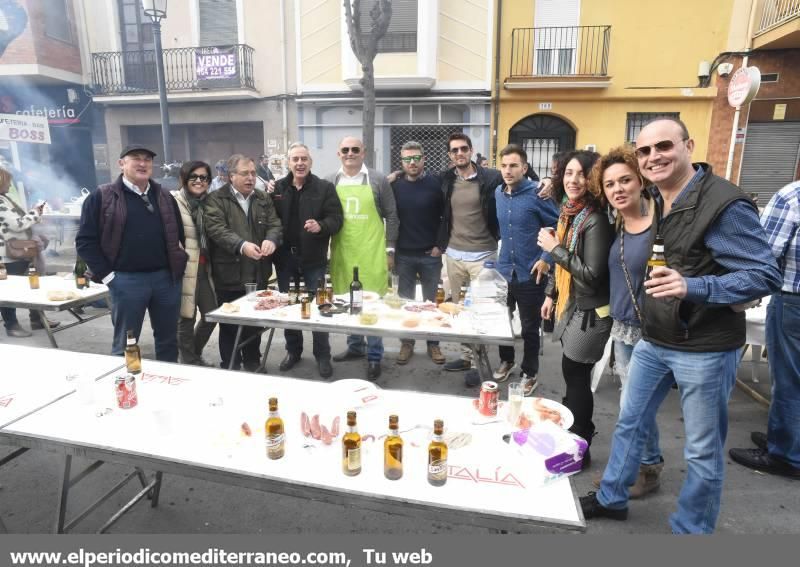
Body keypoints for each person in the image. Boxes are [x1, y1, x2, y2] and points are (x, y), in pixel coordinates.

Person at [581, 117, 781, 534]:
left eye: (664, 147)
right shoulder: (657, 195)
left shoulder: (723, 202)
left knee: (702, 452)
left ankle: (692, 532)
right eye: (645, 151)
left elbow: (764, 274)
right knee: (631, 422)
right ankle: (612, 497)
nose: (654, 157)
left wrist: (694, 286)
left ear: (688, 145)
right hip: (655, 337)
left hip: (705, 348)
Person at [595, 146, 664, 497]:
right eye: (610, 184)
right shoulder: (617, 222)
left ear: (641, 181)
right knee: (633, 405)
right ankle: (646, 463)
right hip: (622, 327)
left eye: (625, 180)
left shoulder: (661, 224)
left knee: (633, 408)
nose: (618, 189)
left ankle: (644, 469)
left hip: (650, 333)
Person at [76, 145, 187, 361]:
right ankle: (125, 388)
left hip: (166, 280)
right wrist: (109, 277)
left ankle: (169, 385)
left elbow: (178, 235)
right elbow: (85, 242)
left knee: (168, 340)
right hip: (126, 280)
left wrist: (178, 268)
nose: (143, 164)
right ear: (121, 164)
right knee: (126, 343)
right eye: (136, 158)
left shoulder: (164, 196)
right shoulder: (102, 197)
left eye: (147, 159)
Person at [538, 150, 613, 465]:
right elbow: (564, 269)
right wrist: (551, 295)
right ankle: (572, 434)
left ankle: (580, 444)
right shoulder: (569, 213)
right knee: (573, 373)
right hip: (573, 305)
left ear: (593, 179)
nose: (573, 180)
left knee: (576, 374)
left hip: (591, 312)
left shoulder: (594, 219)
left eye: (581, 174)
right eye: (568, 173)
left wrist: (554, 249)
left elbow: (592, 275)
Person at [729, 180, 800, 479]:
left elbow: (765, 254)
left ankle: (786, 455)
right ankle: (784, 437)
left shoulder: (792, 196)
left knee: (789, 378)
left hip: (793, 301)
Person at [327, 136, 399, 381]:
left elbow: (391, 214)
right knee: (349, 301)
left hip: (372, 251)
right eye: (345, 149)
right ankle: (355, 346)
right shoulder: (331, 180)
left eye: (354, 149)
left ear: (363, 152)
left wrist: (390, 249)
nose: (350, 153)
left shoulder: (378, 179)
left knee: (373, 303)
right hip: (344, 251)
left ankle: (375, 355)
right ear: (339, 153)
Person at [204, 154, 283, 371]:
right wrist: (242, 245)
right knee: (230, 323)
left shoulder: (262, 198)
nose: (251, 177)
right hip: (229, 274)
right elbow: (217, 230)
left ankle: (252, 362)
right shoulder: (216, 199)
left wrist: (271, 239)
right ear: (231, 176)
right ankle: (230, 364)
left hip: (258, 272)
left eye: (253, 173)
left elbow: (275, 224)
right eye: (245, 173)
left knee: (253, 322)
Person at [272, 143, 343, 379]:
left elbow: (336, 219)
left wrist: (321, 226)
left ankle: (323, 355)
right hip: (285, 261)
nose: (300, 163)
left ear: (310, 162)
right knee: (291, 308)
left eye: (304, 158)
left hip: (314, 260)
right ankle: (293, 352)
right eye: (295, 159)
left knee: (320, 307)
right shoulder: (278, 188)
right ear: (288, 163)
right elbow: (270, 219)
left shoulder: (324, 188)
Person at [438, 133, 503, 386]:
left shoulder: (491, 177)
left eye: (463, 149)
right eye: (454, 150)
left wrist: (548, 183)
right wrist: (395, 176)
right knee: (460, 310)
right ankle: (467, 356)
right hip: (454, 255)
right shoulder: (446, 179)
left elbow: (522, 180)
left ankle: (480, 363)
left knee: (482, 311)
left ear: (471, 150)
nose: (459, 153)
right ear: (450, 155)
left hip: (484, 255)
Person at [495, 144, 559, 394]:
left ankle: (529, 372)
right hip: (503, 271)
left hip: (531, 272)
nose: (508, 170)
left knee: (529, 327)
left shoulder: (538, 193)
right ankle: (507, 359)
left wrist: (546, 257)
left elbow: (557, 226)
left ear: (524, 167)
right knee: (500, 321)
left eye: (513, 165)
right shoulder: (499, 193)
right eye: (504, 165)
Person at [390, 141, 445, 366]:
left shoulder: (436, 183)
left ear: (424, 159)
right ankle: (407, 342)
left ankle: (433, 344)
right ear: (401, 162)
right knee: (406, 303)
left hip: (430, 254)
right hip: (404, 254)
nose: (412, 163)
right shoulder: (394, 186)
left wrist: (439, 245)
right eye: (407, 159)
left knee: (431, 304)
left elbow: (446, 216)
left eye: (416, 158)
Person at [172, 161, 217, 366]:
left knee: (212, 314)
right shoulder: (174, 201)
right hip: (184, 269)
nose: (199, 181)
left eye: (204, 177)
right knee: (186, 318)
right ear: (184, 179)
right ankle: (189, 362)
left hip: (204, 268)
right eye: (194, 177)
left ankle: (193, 355)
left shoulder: (209, 203)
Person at [0, 167, 53, 338]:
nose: (10, 185)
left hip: (21, 249)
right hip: (8, 253)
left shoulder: (4, 198)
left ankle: (37, 318)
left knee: (33, 284)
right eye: (8, 182)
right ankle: (11, 325)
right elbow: (17, 224)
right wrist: (35, 213)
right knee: (8, 290)